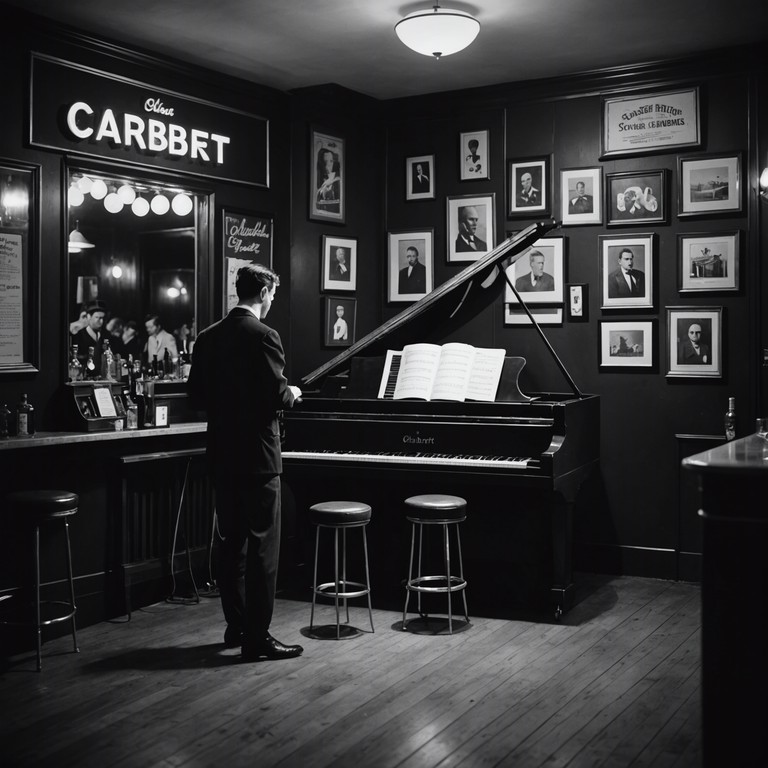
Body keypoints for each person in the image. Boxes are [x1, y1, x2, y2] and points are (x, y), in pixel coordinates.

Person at [187, 263, 303, 661]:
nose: (273, 300)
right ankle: (258, 637)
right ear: (265, 291)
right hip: (258, 455)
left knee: (230, 543)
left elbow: (196, 396)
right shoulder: (265, 335)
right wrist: (292, 393)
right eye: (273, 294)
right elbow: (276, 395)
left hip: (222, 454)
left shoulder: (207, 336)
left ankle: (236, 625)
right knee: (262, 550)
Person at [72, 301, 108, 370]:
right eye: (97, 317)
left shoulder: (105, 336)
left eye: (103, 318)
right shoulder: (78, 336)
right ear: (88, 316)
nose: (101, 321)